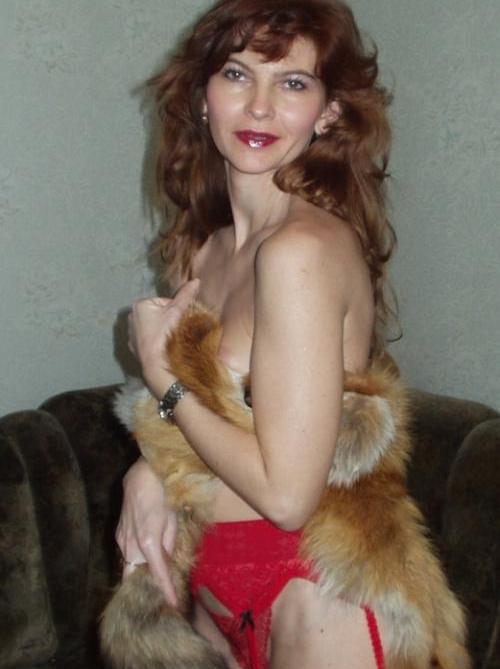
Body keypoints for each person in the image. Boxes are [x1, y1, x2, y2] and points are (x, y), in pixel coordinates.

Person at [117, 0, 395, 667]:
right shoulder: (202, 251)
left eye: (293, 83)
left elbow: (287, 497)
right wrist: (146, 470)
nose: (260, 107)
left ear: (328, 112)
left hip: (315, 587)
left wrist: (162, 379)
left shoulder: (300, 251)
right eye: (238, 74)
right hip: (214, 586)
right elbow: (214, 427)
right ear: (203, 96)